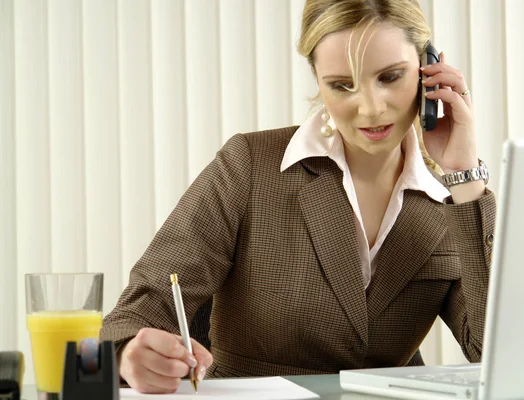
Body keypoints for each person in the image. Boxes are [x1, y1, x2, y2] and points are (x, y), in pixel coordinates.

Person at [100, 0, 496, 394]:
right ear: (317, 80)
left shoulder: (453, 202)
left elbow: (494, 351)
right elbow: (130, 318)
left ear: (430, 73)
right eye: (342, 85)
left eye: (390, 77)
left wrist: (465, 175)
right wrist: (126, 354)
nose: (371, 108)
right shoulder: (250, 166)